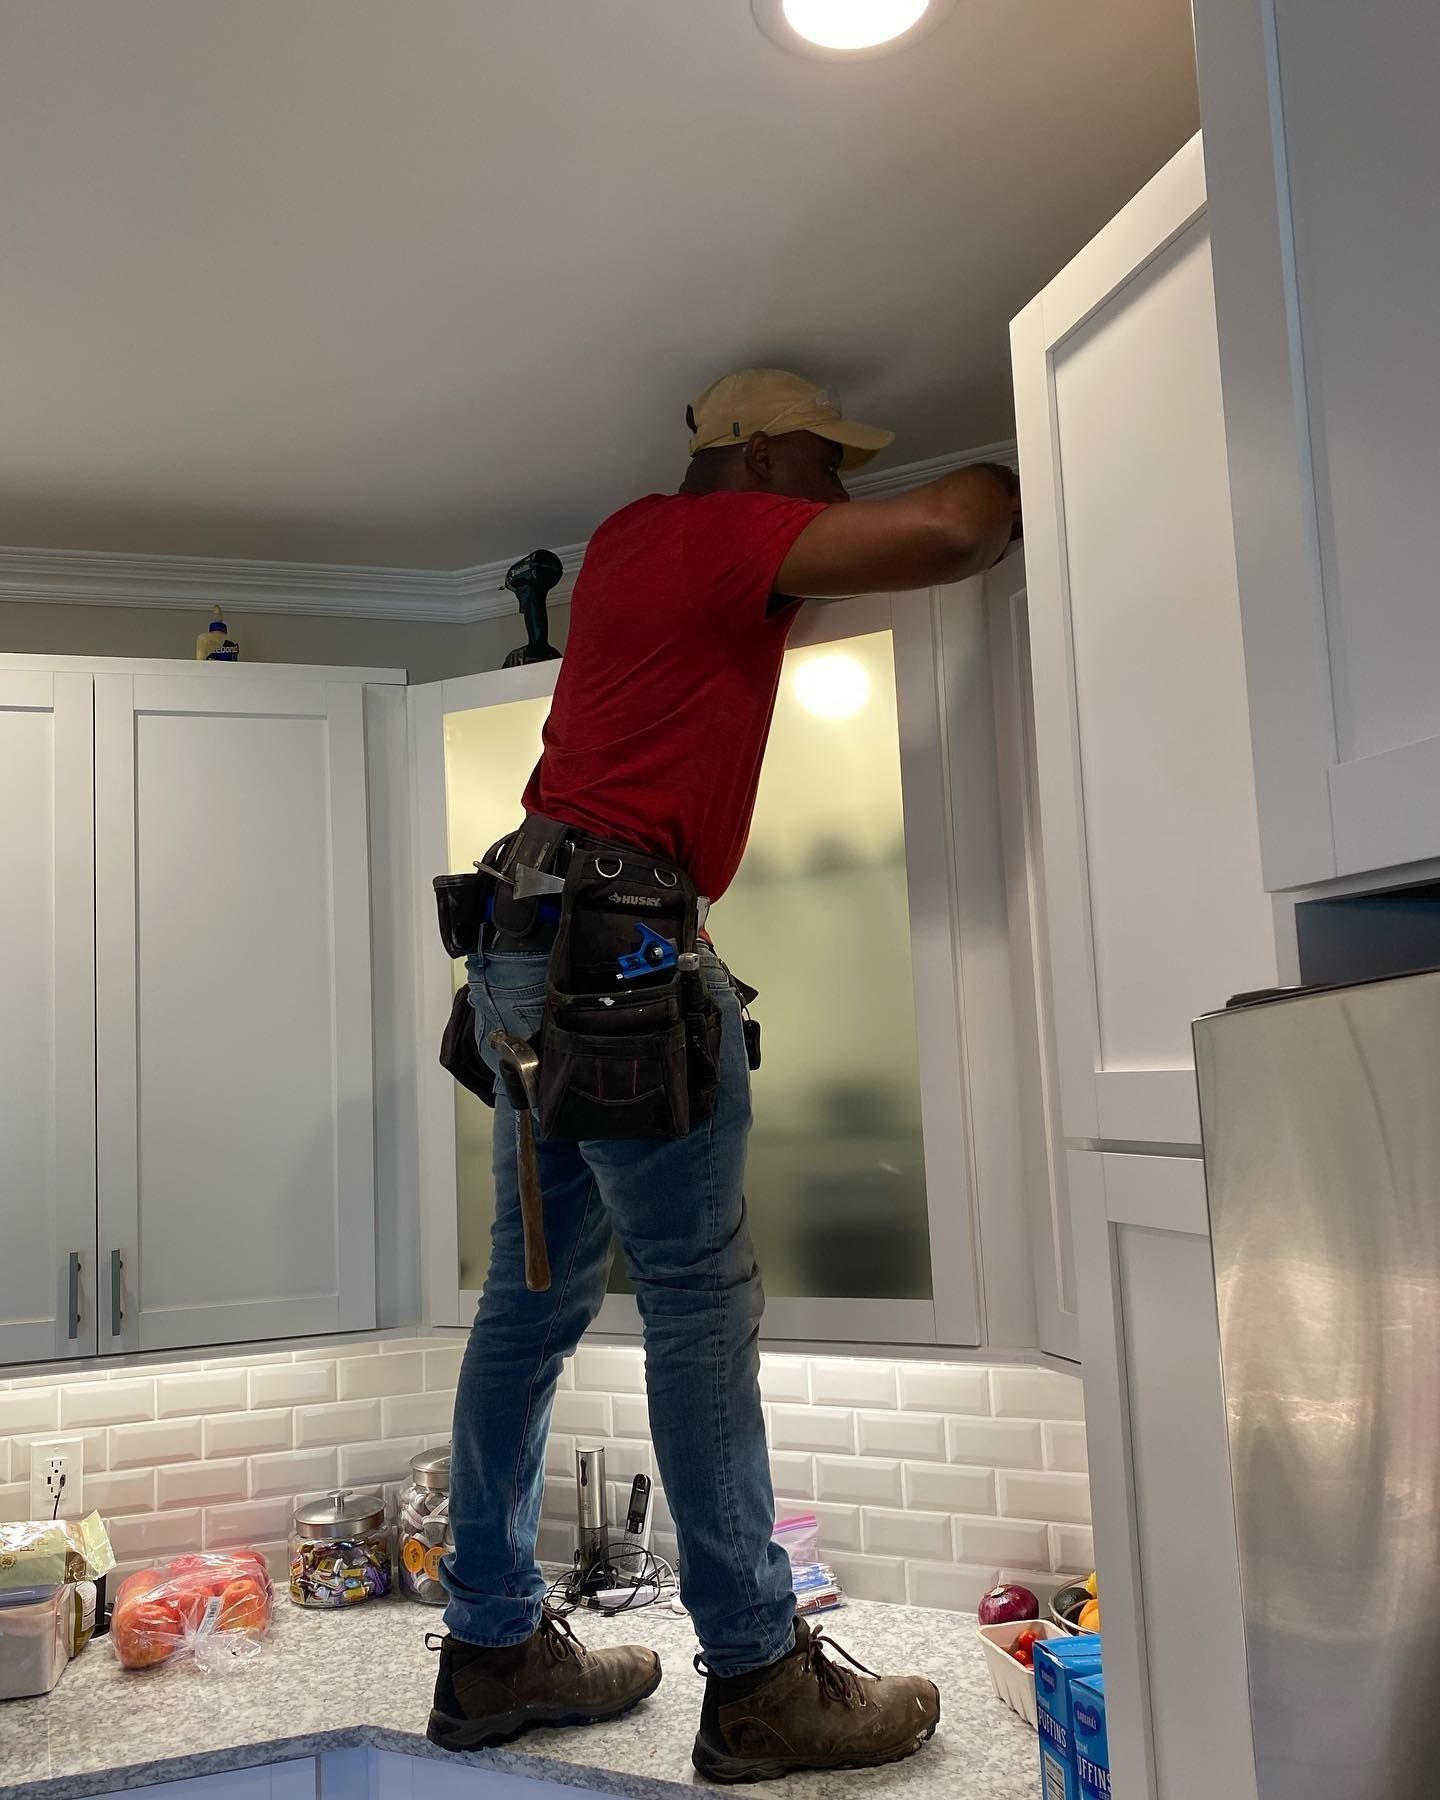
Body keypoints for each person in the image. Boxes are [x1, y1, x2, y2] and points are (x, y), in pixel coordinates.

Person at [430, 369, 1020, 1783]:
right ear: (754, 453)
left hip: (530, 938)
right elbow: (952, 529)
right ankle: (759, 1676)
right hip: (624, 950)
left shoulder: (640, 548)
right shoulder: (713, 533)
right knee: (697, 1304)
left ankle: (492, 1646)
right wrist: (1040, 450)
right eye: (822, 466)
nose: (827, 497)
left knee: (530, 1303)